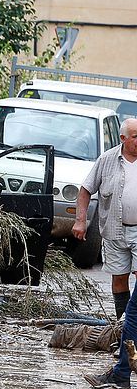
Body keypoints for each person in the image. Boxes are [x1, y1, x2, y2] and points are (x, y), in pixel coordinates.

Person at [78, 118, 137, 388]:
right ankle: (124, 343)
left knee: (136, 308)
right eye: (135, 136)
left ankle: (122, 368)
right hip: (114, 230)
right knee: (125, 290)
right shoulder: (108, 159)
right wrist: (80, 220)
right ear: (123, 138)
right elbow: (86, 189)